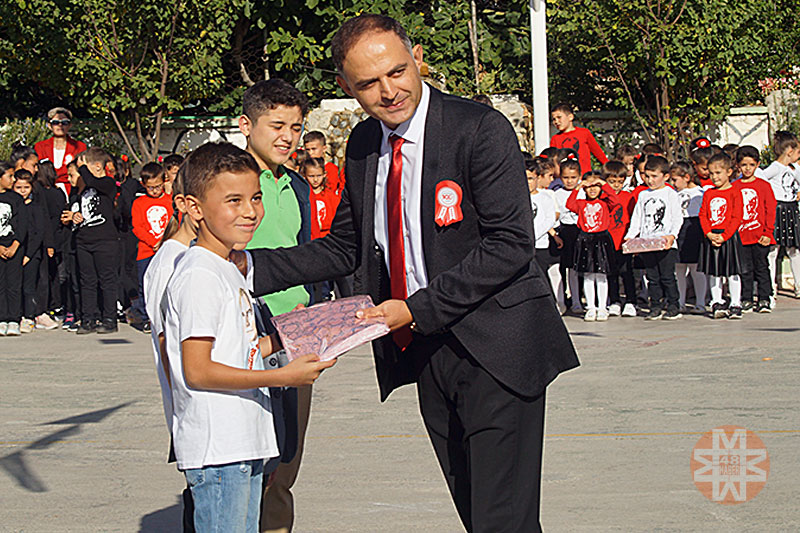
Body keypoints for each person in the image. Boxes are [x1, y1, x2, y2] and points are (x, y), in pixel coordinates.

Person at [244, 14, 579, 532]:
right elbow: (345, 247)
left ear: (417, 58)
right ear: (345, 87)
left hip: (498, 344)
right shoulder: (362, 145)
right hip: (423, 349)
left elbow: (510, 244)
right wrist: (243, 266)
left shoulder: (477, 129)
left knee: (502, 519)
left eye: (397, 71)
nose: (388, 91)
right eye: (368, 83)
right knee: (475, 510)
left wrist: (417, 308)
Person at [161, 141, 334, 532]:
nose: (250, 211)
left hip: (244, 441)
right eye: (234, 200)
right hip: (220, 448)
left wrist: (303, 336)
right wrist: (281, 377)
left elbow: (242, 349)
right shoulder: (199, 275)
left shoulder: (228, 267)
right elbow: (198, 371)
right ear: (193, 207)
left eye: (255, 198)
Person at [236, 78, 316, 533]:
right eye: (277, 125)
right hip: (245, 331)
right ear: (247, 125)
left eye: (296, 127)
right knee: (240, 460)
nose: (287, 136)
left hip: (296, 331)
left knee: (286, 461)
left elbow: (306, 258)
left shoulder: (298, 187)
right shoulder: (222, 179)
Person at [624, 155, 683, 320]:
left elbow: (677, 218)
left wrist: (672, 236)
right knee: (652, 277)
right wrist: (630, 237)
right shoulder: (643, 195)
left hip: (665, 243)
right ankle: (655, 306)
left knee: (667, 276)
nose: (650, 180)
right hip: (647, 243)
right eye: (647, 176)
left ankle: (673, 305)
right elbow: (637, 218)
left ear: (665, 176)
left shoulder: (670, 193)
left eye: (654, 176)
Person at [69, 148, 120, 334]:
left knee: (106, 280)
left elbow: (94, 181)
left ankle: (109, 319)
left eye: (84, 167)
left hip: (105, 240)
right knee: (87, 281)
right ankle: (88, 318)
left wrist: (82, 168)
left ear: (97, 166)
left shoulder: (107, 182)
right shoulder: (83, 188)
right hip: (84, 239)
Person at [698, 153, 747, 319]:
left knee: (733, 273)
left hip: (729, 237)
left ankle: (735, 303)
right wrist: (709, 234)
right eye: (711, 173)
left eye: (718, 173)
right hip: (712, 235)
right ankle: (717, 302)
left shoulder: (735, 192)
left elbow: (736, 216)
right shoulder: (709, 193)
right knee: (714, 273)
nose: (714, 177)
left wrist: (725, 236)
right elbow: (703, 214)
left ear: (729, 172)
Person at [566, 171, 619, 321]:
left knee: (602, 275)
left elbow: (615, 201)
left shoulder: (604, 203)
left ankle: (602, 306)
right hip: (585, 239)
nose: (593, 189)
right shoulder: (581, 204)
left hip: (601, 239)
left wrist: (604, 184)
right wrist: (578, 187)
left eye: (596, 186)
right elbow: (569, 204)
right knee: (588, 275)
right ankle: (590, 307)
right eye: (589, 186)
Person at [131, 162, 173, 332]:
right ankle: (146, 316)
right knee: (146, 285)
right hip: (146, 251)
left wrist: (164, 242)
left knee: (168, 283)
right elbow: (137, 227)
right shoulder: (139, 203)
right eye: (150, 188)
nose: (155, 190)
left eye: (158, 186)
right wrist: (152, 242)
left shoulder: (170, 201)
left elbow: (173, 224)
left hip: (166, 248)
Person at [734, 146, 776, 313]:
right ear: (738, 165)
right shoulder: (734, 186)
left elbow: (770, 210)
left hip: (760, 236)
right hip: (742, 236)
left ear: (757, 164)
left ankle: (765, 298)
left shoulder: (763, 186)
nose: (747, 168)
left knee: (761, 267)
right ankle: (747, 298)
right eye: (744, 165)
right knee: (744, 269)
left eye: (751, 164)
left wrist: (768, 232)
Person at [13, 169, 55, 332]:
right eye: (19, 188)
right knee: (14, 285)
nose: (22, 191)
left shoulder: (36, 208)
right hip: (15, 252)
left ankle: (29, 316)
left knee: (29, 287)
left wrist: (29, 255)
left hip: (32, 253)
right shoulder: (12, 205)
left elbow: (39, 232)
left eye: (26, 188)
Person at [760, 130, 800, 302]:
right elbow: (760, 178)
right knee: (772, 250)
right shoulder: (774, 168)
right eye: (798, 152)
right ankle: (771, 288)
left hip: (792, 210)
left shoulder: (795, 168)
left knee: (795, 250)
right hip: (777, 210)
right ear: (789, 150)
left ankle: (798, 285)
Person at [528, 156, 565, 314]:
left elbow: (549, 219)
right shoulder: (517, 198)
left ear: (537, 178)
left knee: (542, 276)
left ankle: (551, 306)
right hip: (524, 244)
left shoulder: (545, 197)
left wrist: (533, 235)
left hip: (540, 244)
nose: (528, 182)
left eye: (531, 178)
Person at [670, 161, 707, 314]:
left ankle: (700, 302)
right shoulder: (673, 194)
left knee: (696, 269)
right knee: (679, 268)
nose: (673, 183)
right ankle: (680, 302)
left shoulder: (700, 193)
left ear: (686, 177)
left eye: (675, 179)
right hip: (679, 229)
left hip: (694, 228)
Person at [33, 161, 67, 327]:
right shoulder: (58, 192)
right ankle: (57, 304)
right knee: (57, 274)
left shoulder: (40, 194)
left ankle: (47, 306)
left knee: (46, 274)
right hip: (58, 237)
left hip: (47, 237)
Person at [603, 160, 637, 317]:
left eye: (619, 182)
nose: (616, 185)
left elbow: (634, 218)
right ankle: (614, 300)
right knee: (611, 272)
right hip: (608, 241)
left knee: (627, 272)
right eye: (612, 182)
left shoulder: (628, 197)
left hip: (624, 241)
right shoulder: (603, 197)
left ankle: (631, 301)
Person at [34, 107, 87, 195]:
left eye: (64, 123)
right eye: (55, 123)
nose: (60, 125)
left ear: (70, 125)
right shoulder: (40, 146)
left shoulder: (79, 146)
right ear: (49, 126)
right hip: (45, 190)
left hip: (72, 190)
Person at [0, 162, 26, 336]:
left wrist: (15, 245)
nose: (13, 180)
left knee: (14, 285)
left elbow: (22, 224)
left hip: (14, 246)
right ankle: (2, 318)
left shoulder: (15, 199)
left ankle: (14, 319)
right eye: (9, 176)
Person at [554, 157, 583, 312]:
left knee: (577, 269)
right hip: (563, 231)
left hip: (580, 232)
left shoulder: (583, 193)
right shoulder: (557, 193)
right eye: (566, 177)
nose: (570, 181)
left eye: (573, 177)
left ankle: (578, 300)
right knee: (564, 268)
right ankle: (564, 299)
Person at [550, 102, 608, 174]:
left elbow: (598, 153)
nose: (556, 121)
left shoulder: (584, 133)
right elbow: (553, 161)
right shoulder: (555, 139)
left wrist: (609, 168)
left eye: (559, 117)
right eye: (554, 119)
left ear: (570, 117)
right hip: (566, 178)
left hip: (584, 176)